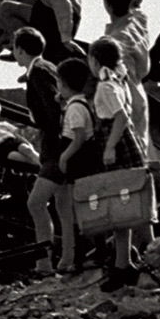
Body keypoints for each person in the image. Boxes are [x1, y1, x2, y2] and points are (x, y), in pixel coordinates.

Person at [87, 37, 148, 292]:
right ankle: (124, 262)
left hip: (116, 148)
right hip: (125, 146)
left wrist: (110, 146)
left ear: (95, 61)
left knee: (118, 210)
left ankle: (122, 266)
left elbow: (120, 117)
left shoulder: (105, 86)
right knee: (122, 209)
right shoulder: (119, 82)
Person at [13, 28, 63, 275]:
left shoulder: (39, 72)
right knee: (64, 205)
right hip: (61, 146)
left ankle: (44, 262)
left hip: (56, 147)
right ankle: (64, 260)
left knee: (36, 203)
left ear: (20, 49)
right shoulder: (48, 67)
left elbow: (53, 114)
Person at [55, 58, 100, 272]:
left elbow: (79, 136)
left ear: (63, 84)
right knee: (88, 208)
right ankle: (92, 253)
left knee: (79, 209)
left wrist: (64, 157)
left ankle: (81, 258)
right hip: (87, 160)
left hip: (79, 161)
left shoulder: (74, 109)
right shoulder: (83, 103)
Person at [102, 0, 151, 152]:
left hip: (123, 103)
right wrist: (135, 4)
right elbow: (138, 13)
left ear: (106, 2)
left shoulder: (115, 40)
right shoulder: (138, 23)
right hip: (139, 95)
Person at [0, 100, 40, 168]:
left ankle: (46, 166)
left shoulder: (4, 124)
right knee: (15, 157)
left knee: (27, 150)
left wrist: (28, 143)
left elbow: (17, 135)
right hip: (0, 147)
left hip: (12, 141)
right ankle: (44, 169)